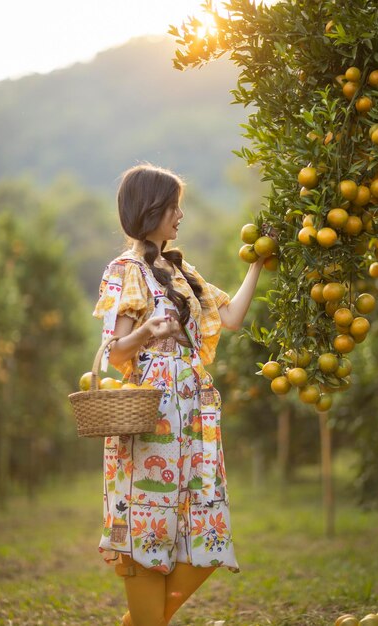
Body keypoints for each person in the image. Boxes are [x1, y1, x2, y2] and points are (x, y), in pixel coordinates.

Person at [93, 163, 265, 626]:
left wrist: (257, 265)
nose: (180, 214)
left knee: (205, 533)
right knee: (149, 528)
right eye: (173, 205)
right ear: (148, 209)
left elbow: (228, 319)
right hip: (153, 413)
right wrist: (148, 328)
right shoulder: (125, 270)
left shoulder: (179, 269)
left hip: (195, 412)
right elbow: (114, 353)